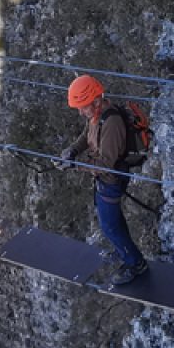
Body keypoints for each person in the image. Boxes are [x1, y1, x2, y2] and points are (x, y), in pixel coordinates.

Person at [61, 74, 150, 285]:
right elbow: (86, 136)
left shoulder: (112, 123)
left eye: (83, 107)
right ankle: (127, 253)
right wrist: (72, 151)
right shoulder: (96, 116)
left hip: (111, 180)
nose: (81, 112)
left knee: (109, 226)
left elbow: (106, 164)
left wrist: (75, 165)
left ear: (97, 101)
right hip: (105, 179)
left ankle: (135, 263)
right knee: (113, 222)